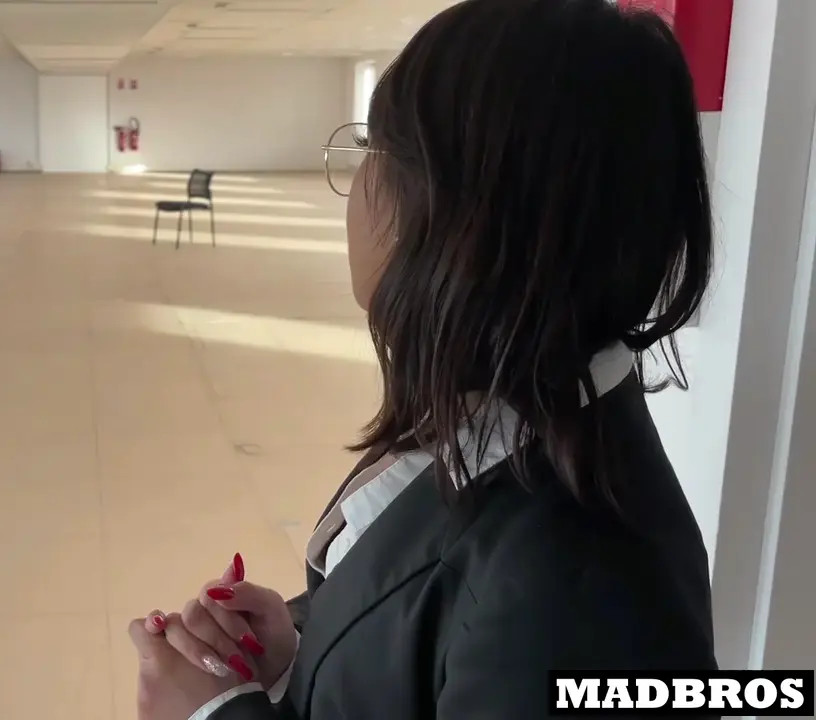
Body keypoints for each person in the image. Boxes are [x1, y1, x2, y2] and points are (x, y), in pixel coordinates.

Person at [127, 0, 719, 718]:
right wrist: (306, 655)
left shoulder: (586, 593)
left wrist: (213, 715)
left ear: (466, 212)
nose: (359, 182)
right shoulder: (510, 411)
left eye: (374, 147)